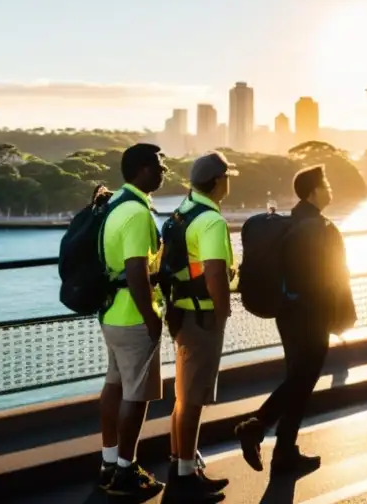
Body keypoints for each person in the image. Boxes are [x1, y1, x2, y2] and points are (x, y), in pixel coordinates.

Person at [234, 165, 356, 475]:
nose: (330, 190)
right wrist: (343, 316)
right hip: (312, 314)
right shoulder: (321, 227)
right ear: (315, 191)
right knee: (303, 379)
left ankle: (285, 451)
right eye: (326, 184)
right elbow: (335, 277)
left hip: (286, 313)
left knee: (298, 380)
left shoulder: (289, 224)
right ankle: (257, 425)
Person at [163, 152, 237, 503]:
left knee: (183, 396)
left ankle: (182, 465)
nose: (229, 182)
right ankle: (185, 480)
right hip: (201, 317)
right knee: (193, 400)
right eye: (228, 177)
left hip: (180, 312)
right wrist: (222, 313)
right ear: (218, 181)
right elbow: (215, 274)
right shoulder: (211, 222)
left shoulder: (182, 212)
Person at [98, 143, 168, 497]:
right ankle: (126, 470)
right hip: (133, 316)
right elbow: (137, 271)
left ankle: (109, 462)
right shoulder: (139, 214)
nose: (163, 172)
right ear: (141, 169)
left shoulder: (115, 205)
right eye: (158, 166)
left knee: (113, 386)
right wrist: (152, 317)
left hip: (111, 313)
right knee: (135, 395)